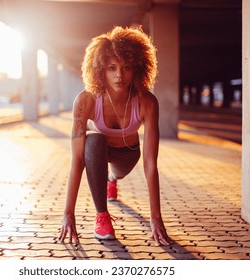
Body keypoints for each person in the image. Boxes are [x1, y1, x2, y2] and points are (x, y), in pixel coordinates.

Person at [59, 26, 172, 246]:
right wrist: (68, 212)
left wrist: (156, 218)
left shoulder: (147, 102)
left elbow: (150, 164)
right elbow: (78, 160)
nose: (119, 75)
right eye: (112, 68)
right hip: (98, 153)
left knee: (116, 174)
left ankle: (111, 178)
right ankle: (102, 216)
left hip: (127, 155)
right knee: (94, 140)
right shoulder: (86, 101)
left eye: (126, 67)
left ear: (138, 68)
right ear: (100, 69)